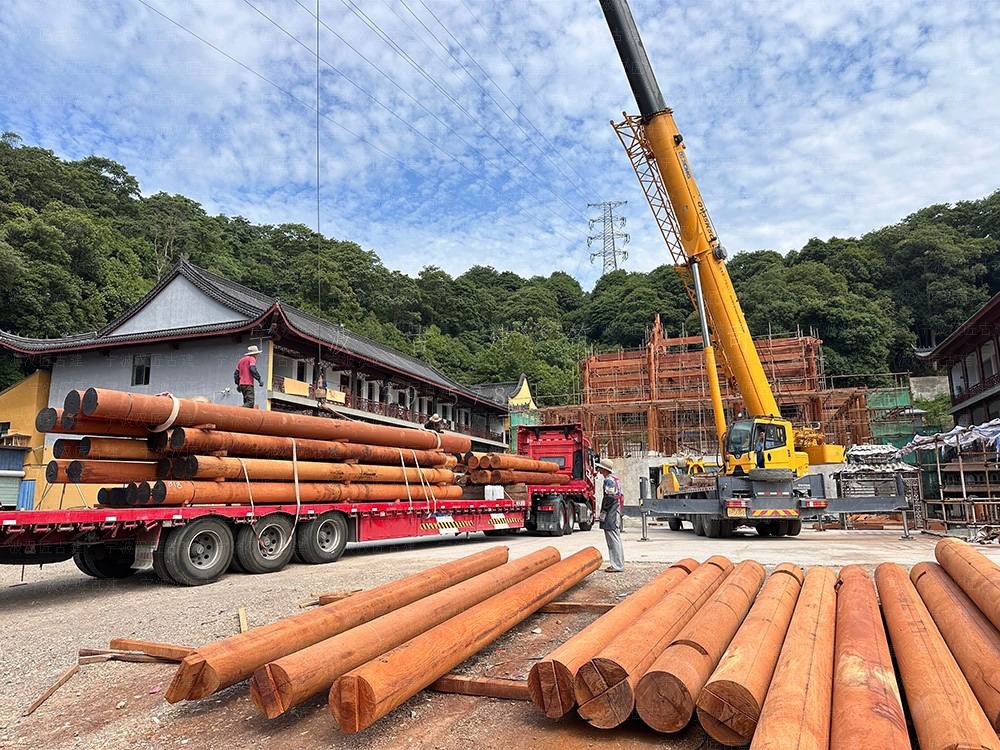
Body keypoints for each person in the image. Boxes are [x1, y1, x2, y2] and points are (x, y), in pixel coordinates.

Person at [597, 459, 624, 573]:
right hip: (616, 510)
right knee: (616, 537)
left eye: (600, 468)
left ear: (604, 469)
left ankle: (617, 565)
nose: (599, 470)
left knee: (612, 539)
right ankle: (619, 563)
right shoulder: (615, 479)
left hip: (611, 512)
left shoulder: (608, 481)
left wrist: (604, 511)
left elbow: (609, 497)